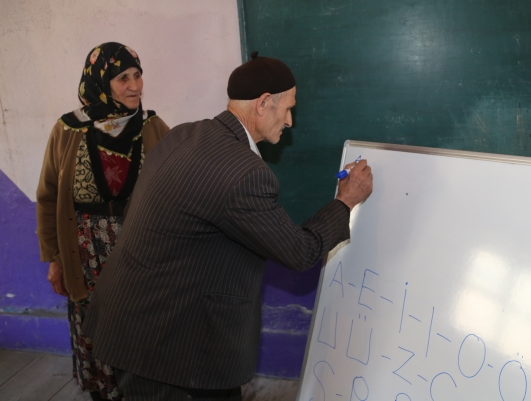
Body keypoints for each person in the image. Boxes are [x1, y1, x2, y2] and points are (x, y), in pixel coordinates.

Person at [82, 51, 373, 400]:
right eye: (288, 109)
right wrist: (346, 201)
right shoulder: (243, 172)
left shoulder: (183, 134)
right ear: (263, 104)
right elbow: (301, 252)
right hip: (166, 344)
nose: (290, 121)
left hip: (132, 318)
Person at [36, 42, 170, 400]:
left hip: (142, 250)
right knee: (97, 327)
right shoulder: (67, 130)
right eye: (123, 78)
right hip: (86, 253)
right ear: (100, 82)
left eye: (138, 75)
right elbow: (48, 196)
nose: (135, 86)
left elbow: (179, 186)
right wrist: (54, 259)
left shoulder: (153, 126)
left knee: (144, 325)